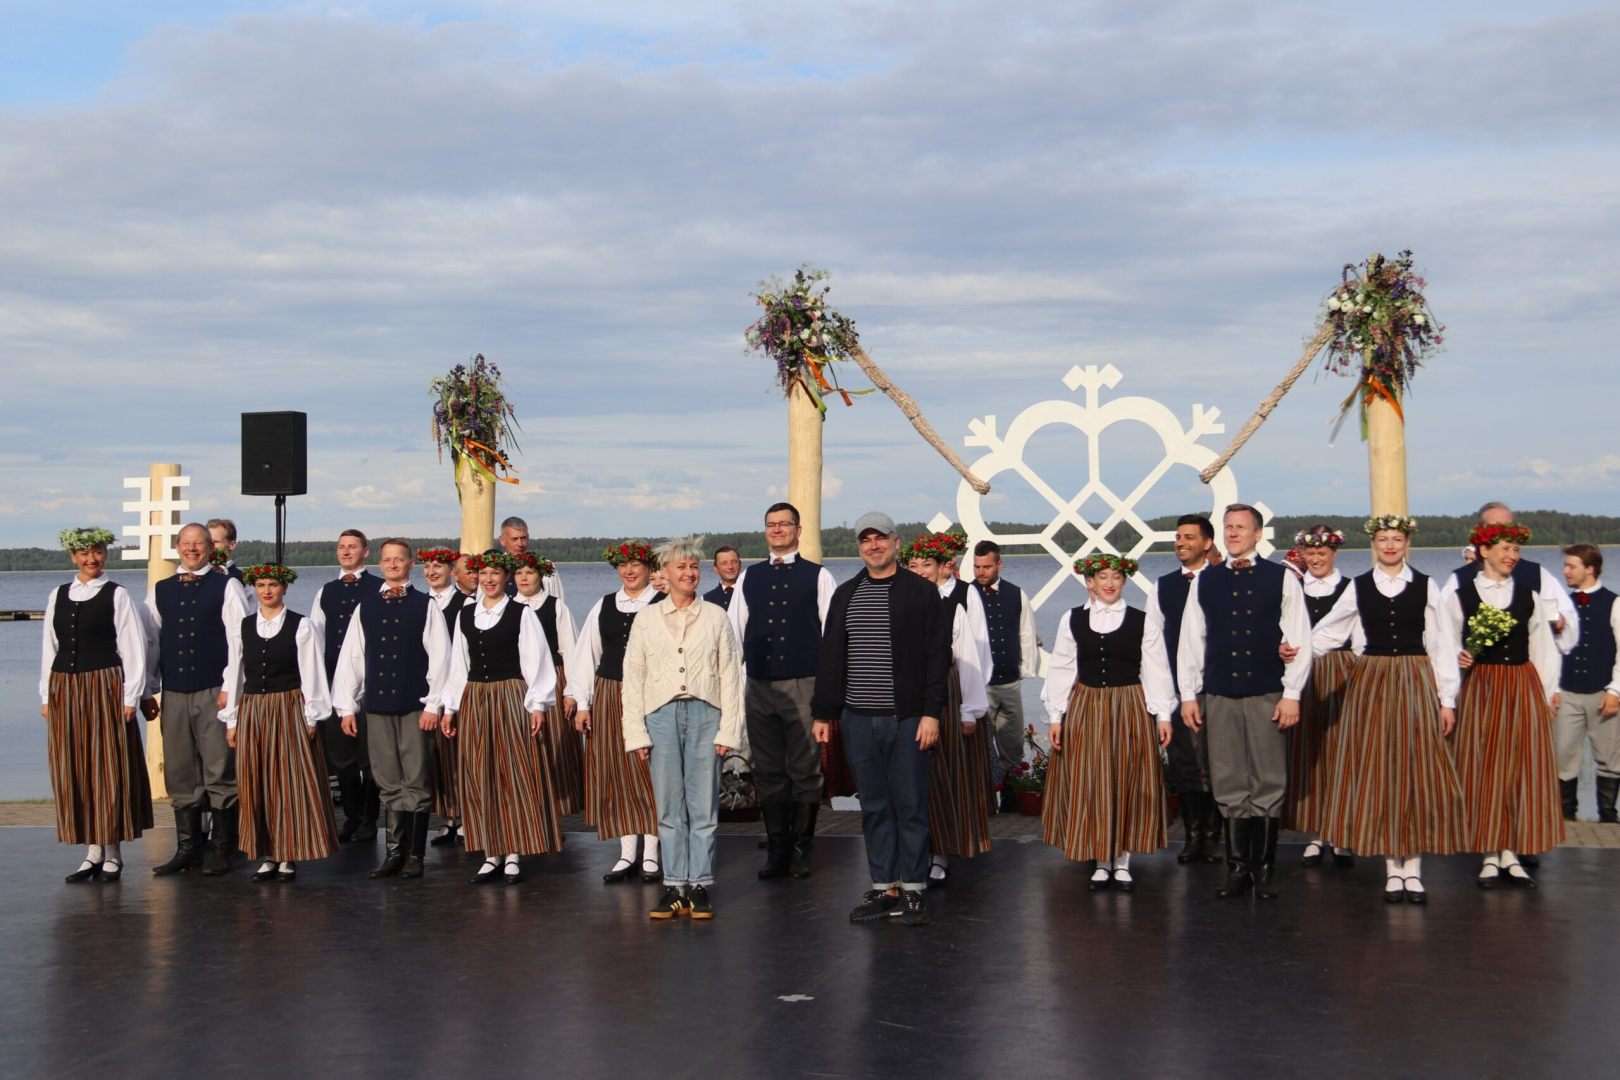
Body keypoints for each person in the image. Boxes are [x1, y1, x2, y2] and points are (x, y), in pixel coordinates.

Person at [1310, 516, 1466, 903]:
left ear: (1407, 543)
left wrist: (1447, 700)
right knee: (1379, 769)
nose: (1390, 545)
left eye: (1397, 538)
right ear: (1374, 544)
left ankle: (1413, 867)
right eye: (1383, 539)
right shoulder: (1359, 586)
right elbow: (1330, 629)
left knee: (1415, 769)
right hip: (1373, 680)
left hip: (1415, 678)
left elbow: (1442, 644)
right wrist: (1296, 651)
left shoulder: (1426, 585)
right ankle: (1391, 869)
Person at [812, 512, 951, 927]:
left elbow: (937, 658)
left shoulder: (921, 592)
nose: (873, 546)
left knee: (910, 805)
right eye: (865, 540)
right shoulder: (846, 594)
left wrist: (932, 713)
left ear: (896, 542)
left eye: (880, 538)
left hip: (907, 718)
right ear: (859, 546)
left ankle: (914, 889)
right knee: (873, 806)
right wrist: (823, 712)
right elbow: (831, 656)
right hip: (857, 719)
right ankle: (884, 887)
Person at [1179, 505, 1312, 900]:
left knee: (1268, 779)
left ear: (1257, 534)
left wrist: (1292, 694)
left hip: (1267, 692)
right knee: (1227, 779)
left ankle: (1265, 869)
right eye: (1228, 527)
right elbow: (1191, 640)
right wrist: (1188, 695)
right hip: (1219, 692)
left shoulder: (1282, 578)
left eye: (1241, 527)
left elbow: (1299, 638)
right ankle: (1237, 869)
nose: (1233, 533)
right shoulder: (1205, 580)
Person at [621, 537, 746, 920]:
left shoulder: (716, 617)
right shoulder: (646, 619)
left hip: (707, 715)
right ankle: (675, 886)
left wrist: (730, 730)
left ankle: (700, 885)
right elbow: (633, 678)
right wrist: (635, 733)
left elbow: (731, 675)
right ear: (665, 573)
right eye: (681, 567)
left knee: (703, 806)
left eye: (694, 567)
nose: (689, 573)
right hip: (659, 717)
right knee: (669, 806)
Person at [1041, 553, 1173, 889]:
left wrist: (1163, 714)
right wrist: (1056, 716)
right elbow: (1061, 668)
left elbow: (1156, 669)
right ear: (1091, 582)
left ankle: (1123, 859)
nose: (1110, 583)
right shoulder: (1072, 619)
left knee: (1127, 778)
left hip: (1130, 704)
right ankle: (1101, 858)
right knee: (1092, 779)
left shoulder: (1142, 621)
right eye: (1103, 577)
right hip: (1086, 704)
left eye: (1115, 576)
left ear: (1124, 580)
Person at [1446, 520, 1564, 887]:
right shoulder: (1460, 596)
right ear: (1484, 551)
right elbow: (1442, 642)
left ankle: (1512, 852)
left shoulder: (1529, 596)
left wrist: (1547, 693)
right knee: (1483, 767)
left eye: (1515, 550)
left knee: (1519, 768)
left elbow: (1543, 648)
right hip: (1481, 687)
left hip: (1521, 684)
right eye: (1505, 549)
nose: (1512, 556)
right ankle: (1488, 853)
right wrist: (1458, 657)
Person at [727, 503, 837, 880]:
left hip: (804, 683)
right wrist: (735, 687)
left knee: (806, 769)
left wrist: (827, 694)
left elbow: (832, 637)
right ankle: (777, 850)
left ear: (798, 530)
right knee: (769, 769)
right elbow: (734, 635)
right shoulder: (749, 576)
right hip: (758, 684)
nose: (777, 530)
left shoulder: (819, 576)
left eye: (784, 524)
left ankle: (801, 849)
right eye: (771, 525)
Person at [440, 551, 564, 884]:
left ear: (506, 576)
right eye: (483, 573)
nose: (489, 579)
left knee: (513, 772)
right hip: (475, 698)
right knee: (480, 773)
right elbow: (458, 665)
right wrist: (450, 708)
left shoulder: (521, 613)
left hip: (510, 696)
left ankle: (513, 852)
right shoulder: (466, 614)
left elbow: (536, 660)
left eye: (495, 573)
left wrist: (537, 705)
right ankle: (490, 852)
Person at [332, 539, 451, 879]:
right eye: (387, 560)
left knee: (415, 777)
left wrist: (433, 704)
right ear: (380, 564)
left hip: (414, 706)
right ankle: (394, 853)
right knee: (387, 778)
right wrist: (346, 707)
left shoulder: (426, 606)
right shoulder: (366, 606)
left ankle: (415, 855)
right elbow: (352, 658)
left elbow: (441, 659)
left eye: (399, 559)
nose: (393, 564)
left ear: (411, 564)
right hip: (377, 706)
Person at [40, 527, 153, 882]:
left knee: (108, 767)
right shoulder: (58, 594)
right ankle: (92, 852)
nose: (92, 559)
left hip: (104, 686)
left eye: (98, 552)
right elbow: (50, 646)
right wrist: (46, 695)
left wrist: (131, 696)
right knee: (75, 766)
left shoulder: (117, 594)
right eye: (85, 553)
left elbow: (133, 647)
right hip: (65, 687)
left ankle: (113, 852)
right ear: (73, 556)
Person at [219, 564, 340, 882]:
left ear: (284, 588)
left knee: (288, 781)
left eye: (273, 584)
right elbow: (235, 673)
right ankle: (267, 853)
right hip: (252, 710)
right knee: (257, 781)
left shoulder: (301, 626)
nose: (267, 591)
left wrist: (311, 715)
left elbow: (312, 672)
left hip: (287, 707)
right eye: (261, 585)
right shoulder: (244, 626)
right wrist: (232, 719)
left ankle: (288, 854)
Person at [146, 522, 251, 876]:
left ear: (210, 548)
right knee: (180, 772)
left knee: (219, 769)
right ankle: (188, 849)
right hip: (174, 691)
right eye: (186, 543)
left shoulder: (227, 585)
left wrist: (231, 688)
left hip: (213, 690)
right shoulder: (161, 589)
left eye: (199, 543)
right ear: (178, 547)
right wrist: (148, 687)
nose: (192, 549)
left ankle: (222, 848)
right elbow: (150, 640)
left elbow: (239, 640)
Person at [565, 542, 664, 882]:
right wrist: (582, 703)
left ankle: (651, 852)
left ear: (649, 568)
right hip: (608, 693)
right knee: (615, 770)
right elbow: (586, 655)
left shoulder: (662, 603)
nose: (629, 570)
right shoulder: (604, 605)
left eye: (635, 564)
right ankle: (626, 853)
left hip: (649, 695)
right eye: (623, 565)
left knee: (647, 771)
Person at [914, 533, 991, 884]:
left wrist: (969, 709)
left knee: (944, 773)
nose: (920, 571)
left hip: (946, 693)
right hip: (907, 695)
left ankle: (942, 849)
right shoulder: (898, 602)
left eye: (926, 564)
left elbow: (973, 654)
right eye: (913, 565)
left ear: (941, 566)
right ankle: (914, 850)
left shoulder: (957, 602)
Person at [1284, 525, 1359, 868]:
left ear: (1334, 553)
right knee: (1309, 751)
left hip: (1341, 671)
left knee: (1340, 751)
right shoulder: (1294, 587)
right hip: (1301, 673)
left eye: (1322, 553)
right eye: (1311, 553)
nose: (1316, 559)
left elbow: (1359, 636)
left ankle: (1341, 833)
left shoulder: (1350, 588)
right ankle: (1315, 833)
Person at [1149, 514, 1222, 865]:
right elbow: (1153, 644)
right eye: (1178, 536)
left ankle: (1216, 835)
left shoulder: (1223, 580)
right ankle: (1193, 836)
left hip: (1220, 687)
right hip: (1180, 691)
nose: (1181, 542)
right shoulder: (1163, 586)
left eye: (1189, 537)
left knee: (1220, 762)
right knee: (1185, 762)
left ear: (1207, 543)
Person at [309, 529, 382, 843]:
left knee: (371, 755)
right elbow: (316, 638)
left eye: (352, 547)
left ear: (365, 552)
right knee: (342, 756)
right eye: (342, 547)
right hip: (334, 683)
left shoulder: (379, 588)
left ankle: (370, 818)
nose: (346, 551)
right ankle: (351, 817)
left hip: (371, 682)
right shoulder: (325, 591)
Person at [511, 552, 586, 815]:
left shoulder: (555, 606)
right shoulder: (509, 607)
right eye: (518, 573)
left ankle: (557, 808)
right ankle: (527, 805)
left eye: (529, 572)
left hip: (553, 679)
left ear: (540, 576)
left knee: (553, 743)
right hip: (519, 682)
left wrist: (571, 691)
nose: (523, 578)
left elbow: (571, 649)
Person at [1444, 502, 1577, 649]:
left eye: (1508, 528)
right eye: (1496, 528)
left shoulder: (1536, 574)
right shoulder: (1459, 579)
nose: (1503, 534)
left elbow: (1564, 616)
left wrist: (1559, 621)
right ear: (1480, 532)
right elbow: (1442, 630)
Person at [971, 540, 1039, 813]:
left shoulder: (1016, 594)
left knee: (1012, 744)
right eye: (977, 567)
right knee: (980, 745)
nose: (981, 572)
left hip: (1009, 682)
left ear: (999, 564)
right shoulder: (967, 594)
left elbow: (1026, 632)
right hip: (979, 685)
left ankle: (1010, 801)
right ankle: (984, 801)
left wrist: (1025, 669)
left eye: (986, 566)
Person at [1555, 544, 1620, 822]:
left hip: (1603, 693)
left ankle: (1608, 818)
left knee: (1609, 756)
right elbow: (1553, 650)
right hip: (1566, 692)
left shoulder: (1615, 603)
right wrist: (1553, 689)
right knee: (1563, 755)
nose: (1565, 571)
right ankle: (1566, 817)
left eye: (1571, 566)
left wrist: (1615, 691)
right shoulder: (1562, 605)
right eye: (1566, 565)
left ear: (1590, 569)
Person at [417, 547, 471, 845]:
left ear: (452, 570)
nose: (432, 572)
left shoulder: (465, 603)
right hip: (425, 687)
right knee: (435, 755)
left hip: (456, 686)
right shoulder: (419, 603)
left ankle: (466, 815)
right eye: (427, 567)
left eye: (438, 566)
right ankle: (448, 815)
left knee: (458, 752)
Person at [497, 516, 566, 603]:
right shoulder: (495, 568)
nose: (520, 544)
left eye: (523, 538)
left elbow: (558, 603)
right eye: (514, 539)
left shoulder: (544, 566)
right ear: (502, 540)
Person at [704, 545, 742, 610]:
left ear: (740, 565)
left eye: (734, 562)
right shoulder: (706, 600)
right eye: (724, 563)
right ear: (716, 568)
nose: (730, 567)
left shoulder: (753, 594)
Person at [208, 519, 244, 583]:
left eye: (216, 542)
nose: (210, 545)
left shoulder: (242, 579)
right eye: (208, 541)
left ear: (232, 545)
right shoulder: (196, 577)